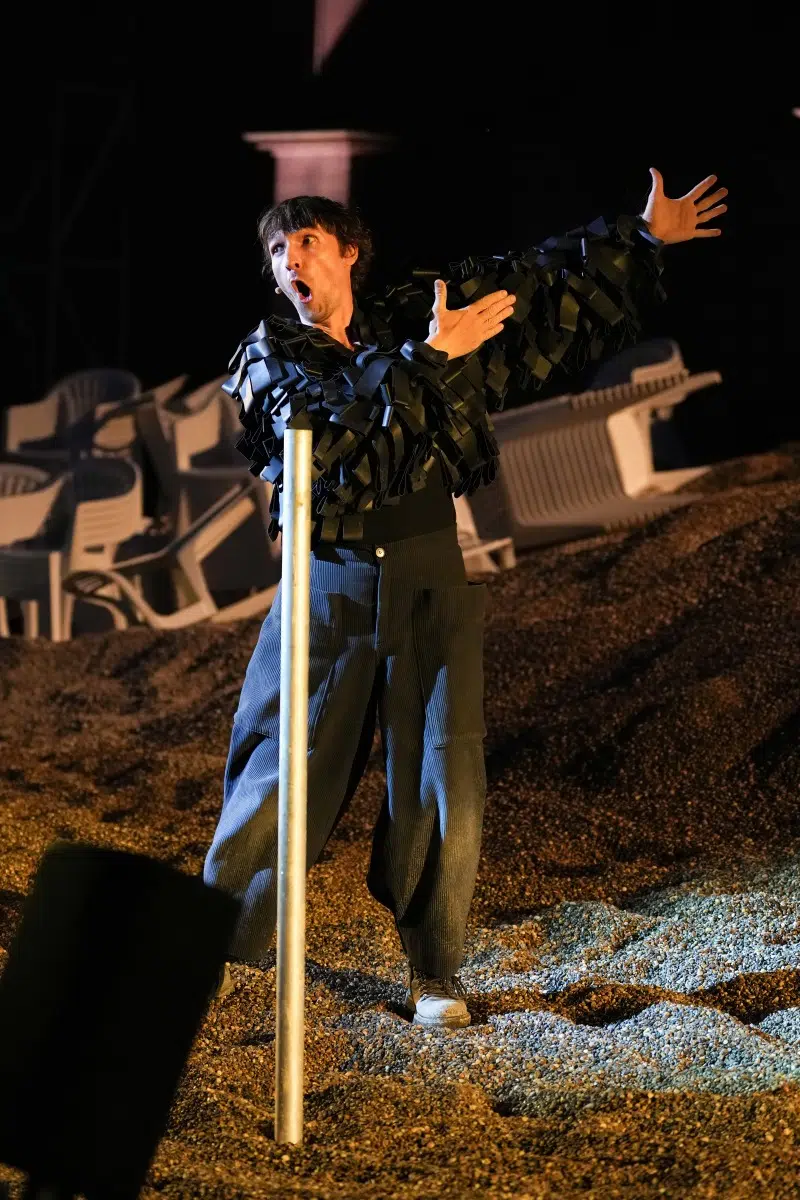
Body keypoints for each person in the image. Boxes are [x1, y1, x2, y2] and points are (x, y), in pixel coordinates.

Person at [203, 168, 727, 1027]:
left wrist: (639, 238)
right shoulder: (270, 355)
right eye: (276, 249)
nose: (290, 260)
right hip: (327, 586)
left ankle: (435, 972)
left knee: (446, 775)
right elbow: (330, 443)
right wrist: (430, 360)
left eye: (306, 242)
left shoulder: (419, 313)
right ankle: (219, 956)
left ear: (349, 253)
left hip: (430, 577)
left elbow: (527, 286)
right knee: (280, 770)